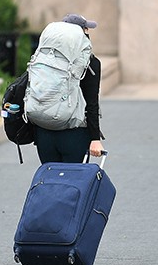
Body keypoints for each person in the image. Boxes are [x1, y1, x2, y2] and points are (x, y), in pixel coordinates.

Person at [33, 13, 105, 164]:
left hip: (44, 132)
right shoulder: (90, 63)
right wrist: (95, 139)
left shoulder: (44, 57)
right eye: (86, 29)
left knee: (50, 182)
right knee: (73, 183)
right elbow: (91, 103)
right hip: (75, 134)